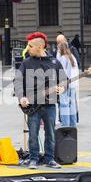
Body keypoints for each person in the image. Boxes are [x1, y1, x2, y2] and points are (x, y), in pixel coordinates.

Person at [14, 31, 67, 170]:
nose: (28, 49)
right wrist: (22, 97)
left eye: (30, 46)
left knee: (50, 133)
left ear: (39, 47)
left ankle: (50, 159)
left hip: (50, 104)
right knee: (33, 134)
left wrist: (62, 88)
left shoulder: (54, 62)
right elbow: (18, 82)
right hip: (32, 105)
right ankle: (33, 159)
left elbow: (64, 80)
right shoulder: (26, 63)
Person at [57, 41, 79, 127]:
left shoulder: (63, 58)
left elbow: (61, 72)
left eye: (58, 49)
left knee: (64, 104)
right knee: (72, 103)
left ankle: (65, 124)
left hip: (65, 83)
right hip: (73, 84)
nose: (58, 51)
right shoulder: (72, 57)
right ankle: (73, 123)